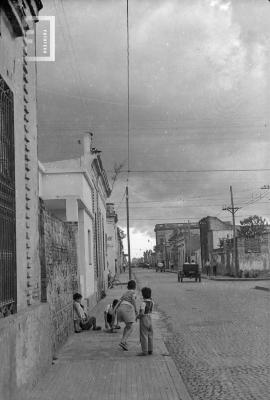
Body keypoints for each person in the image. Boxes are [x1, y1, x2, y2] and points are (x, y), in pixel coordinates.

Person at [115, 280, 138, 351]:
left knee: (127, 326)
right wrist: (136, 310)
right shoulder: (133, 292)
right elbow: (133, 300)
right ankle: (123, 341)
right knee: (131, 327)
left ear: (127, 287)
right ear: (135, 287)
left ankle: (124, 342)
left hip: (119, 309)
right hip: (126, 309)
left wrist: (114, 310)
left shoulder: (125, 293)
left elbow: (119, 301)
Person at [136, 287, 154, 356]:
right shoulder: (152, 302)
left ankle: (144, 351)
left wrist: (137, 316)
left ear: (143, 295)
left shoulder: (143, 303)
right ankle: (150, 349)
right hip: (150, 318)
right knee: (150, 334)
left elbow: (142, 313)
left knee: (144, 335)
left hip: (144, 319)